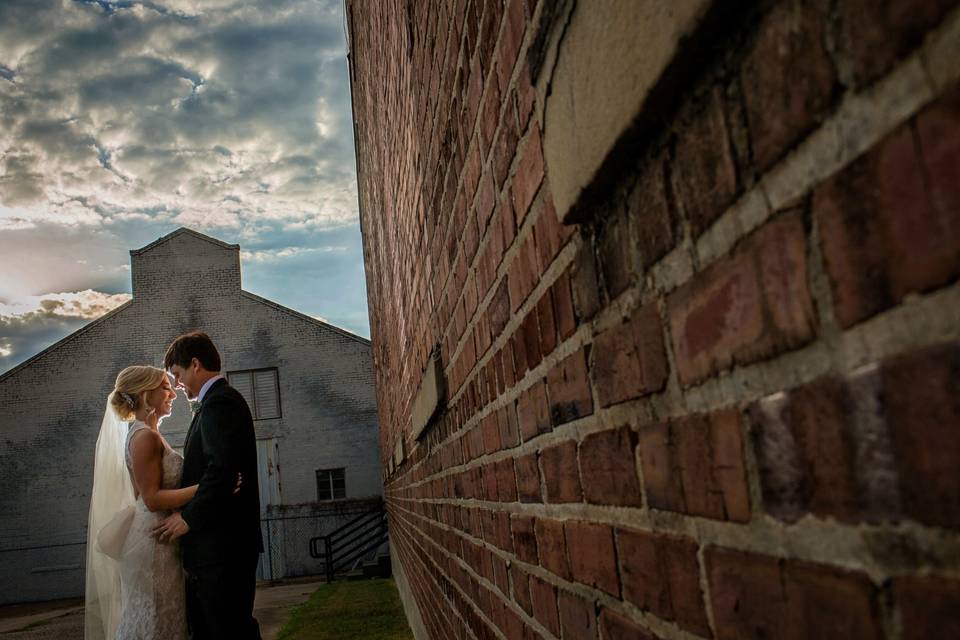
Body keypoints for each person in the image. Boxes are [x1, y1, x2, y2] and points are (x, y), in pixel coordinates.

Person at [154, 331, 263, 640]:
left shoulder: (220, 404)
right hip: (221, 547)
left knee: (227, 630)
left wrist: (188, 519)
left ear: (196, 364)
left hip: (223, 548)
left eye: (177, 374)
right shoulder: (216, 403)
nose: (177, 383)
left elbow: (222, 472)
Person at [85, 365, 193, 640]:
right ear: (146, 395)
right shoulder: (144, 436)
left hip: (159, 535)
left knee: (161, 617)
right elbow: (151, 498)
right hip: (153, 541)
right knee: (155, 619)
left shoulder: (148, 434)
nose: (173, 393)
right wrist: (205, 489)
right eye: (165, 387)